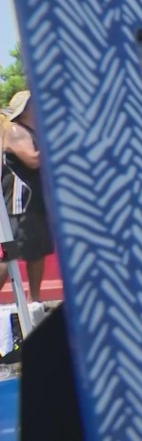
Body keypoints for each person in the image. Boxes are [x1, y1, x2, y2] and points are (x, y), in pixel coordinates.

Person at [0, 91, 54, 304]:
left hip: (33, 203)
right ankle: (34, 300)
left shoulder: (32, 132)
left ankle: (35, 300)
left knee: (36, 251)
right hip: (20, 204)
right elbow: (32, 160)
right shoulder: (15, 130)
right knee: (7, 254)